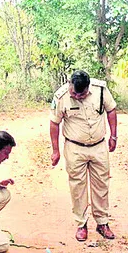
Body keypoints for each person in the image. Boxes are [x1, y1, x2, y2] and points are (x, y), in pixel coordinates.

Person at [50, 70, 118, 242]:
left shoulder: (101, 90)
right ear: (69, 84)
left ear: (88, 88)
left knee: (101, 184)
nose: (77, 97)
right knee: (77, 187)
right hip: (74, 148)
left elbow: (111, 110)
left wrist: (114, 136)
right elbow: (54, 123)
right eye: (74, 93)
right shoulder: (61, 96)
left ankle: (102, 223)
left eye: (81, 94)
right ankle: (81, 224)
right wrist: (55, 150)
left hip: (99, 146)